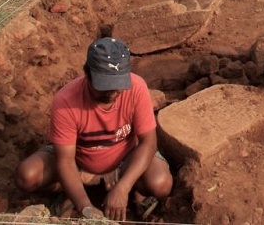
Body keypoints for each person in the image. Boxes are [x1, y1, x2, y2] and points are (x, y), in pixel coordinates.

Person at [14, 38, 172, 221]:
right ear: (87, 75)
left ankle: (136, 192)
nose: (112, 93)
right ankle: (73, 191)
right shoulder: (66, 101)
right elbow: (65, 161)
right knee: (26, 176)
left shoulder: (137, 88)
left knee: (161, 184)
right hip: (79, 162)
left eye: (118, 85)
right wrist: (86, 208)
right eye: (104, 86)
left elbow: (148, 143)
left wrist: (123, 187)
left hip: (125, 159)